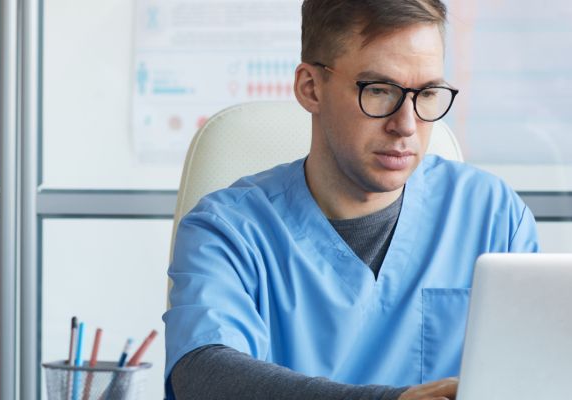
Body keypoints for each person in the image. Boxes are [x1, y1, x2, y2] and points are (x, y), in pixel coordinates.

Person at [163, 0, 539, 399]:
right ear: (311, 88)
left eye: (427, 93)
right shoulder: (228, 229)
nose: (406, 125)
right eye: (379, 90)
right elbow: (202, 372)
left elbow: (538, 368)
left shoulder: (492, 215)